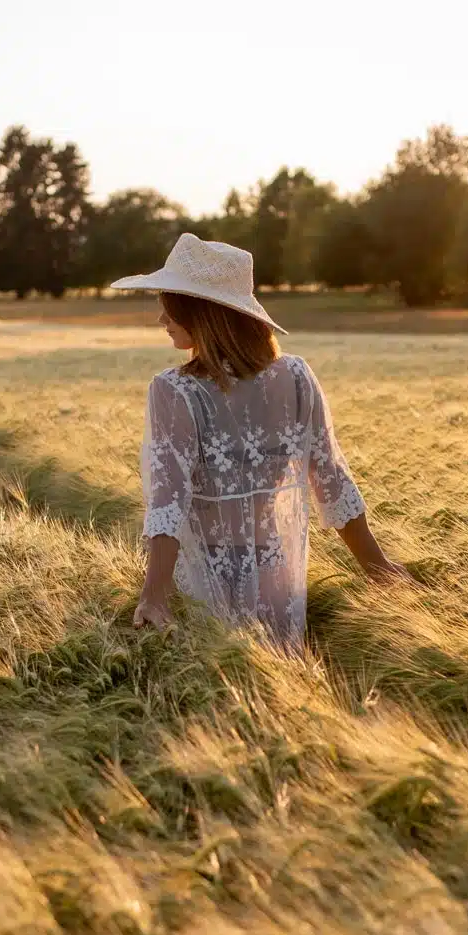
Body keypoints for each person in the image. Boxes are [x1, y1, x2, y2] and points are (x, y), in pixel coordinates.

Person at [115, 232, 405, 649]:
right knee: (281, 688)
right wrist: (377, 567)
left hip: (203, 582)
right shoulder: (297, 377)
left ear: (203, 312)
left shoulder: (175, 391)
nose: (162, 316)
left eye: (170, 302)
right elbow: (333, 483)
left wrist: (154, 595)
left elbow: (169, 502)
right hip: (278, 577)